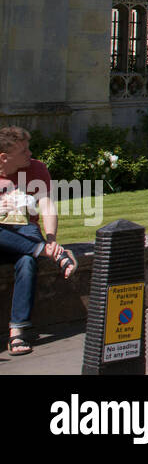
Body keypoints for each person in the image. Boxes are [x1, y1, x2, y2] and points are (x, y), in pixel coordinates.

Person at [0, 127, 77, 356]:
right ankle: (48, 253)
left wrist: (51, 239)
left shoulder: (37, 168)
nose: (30, 153)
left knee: (27, 260)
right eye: (23, 151)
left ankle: (18, 331)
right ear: (4, 157)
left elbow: (47, 206)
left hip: (25, 234)